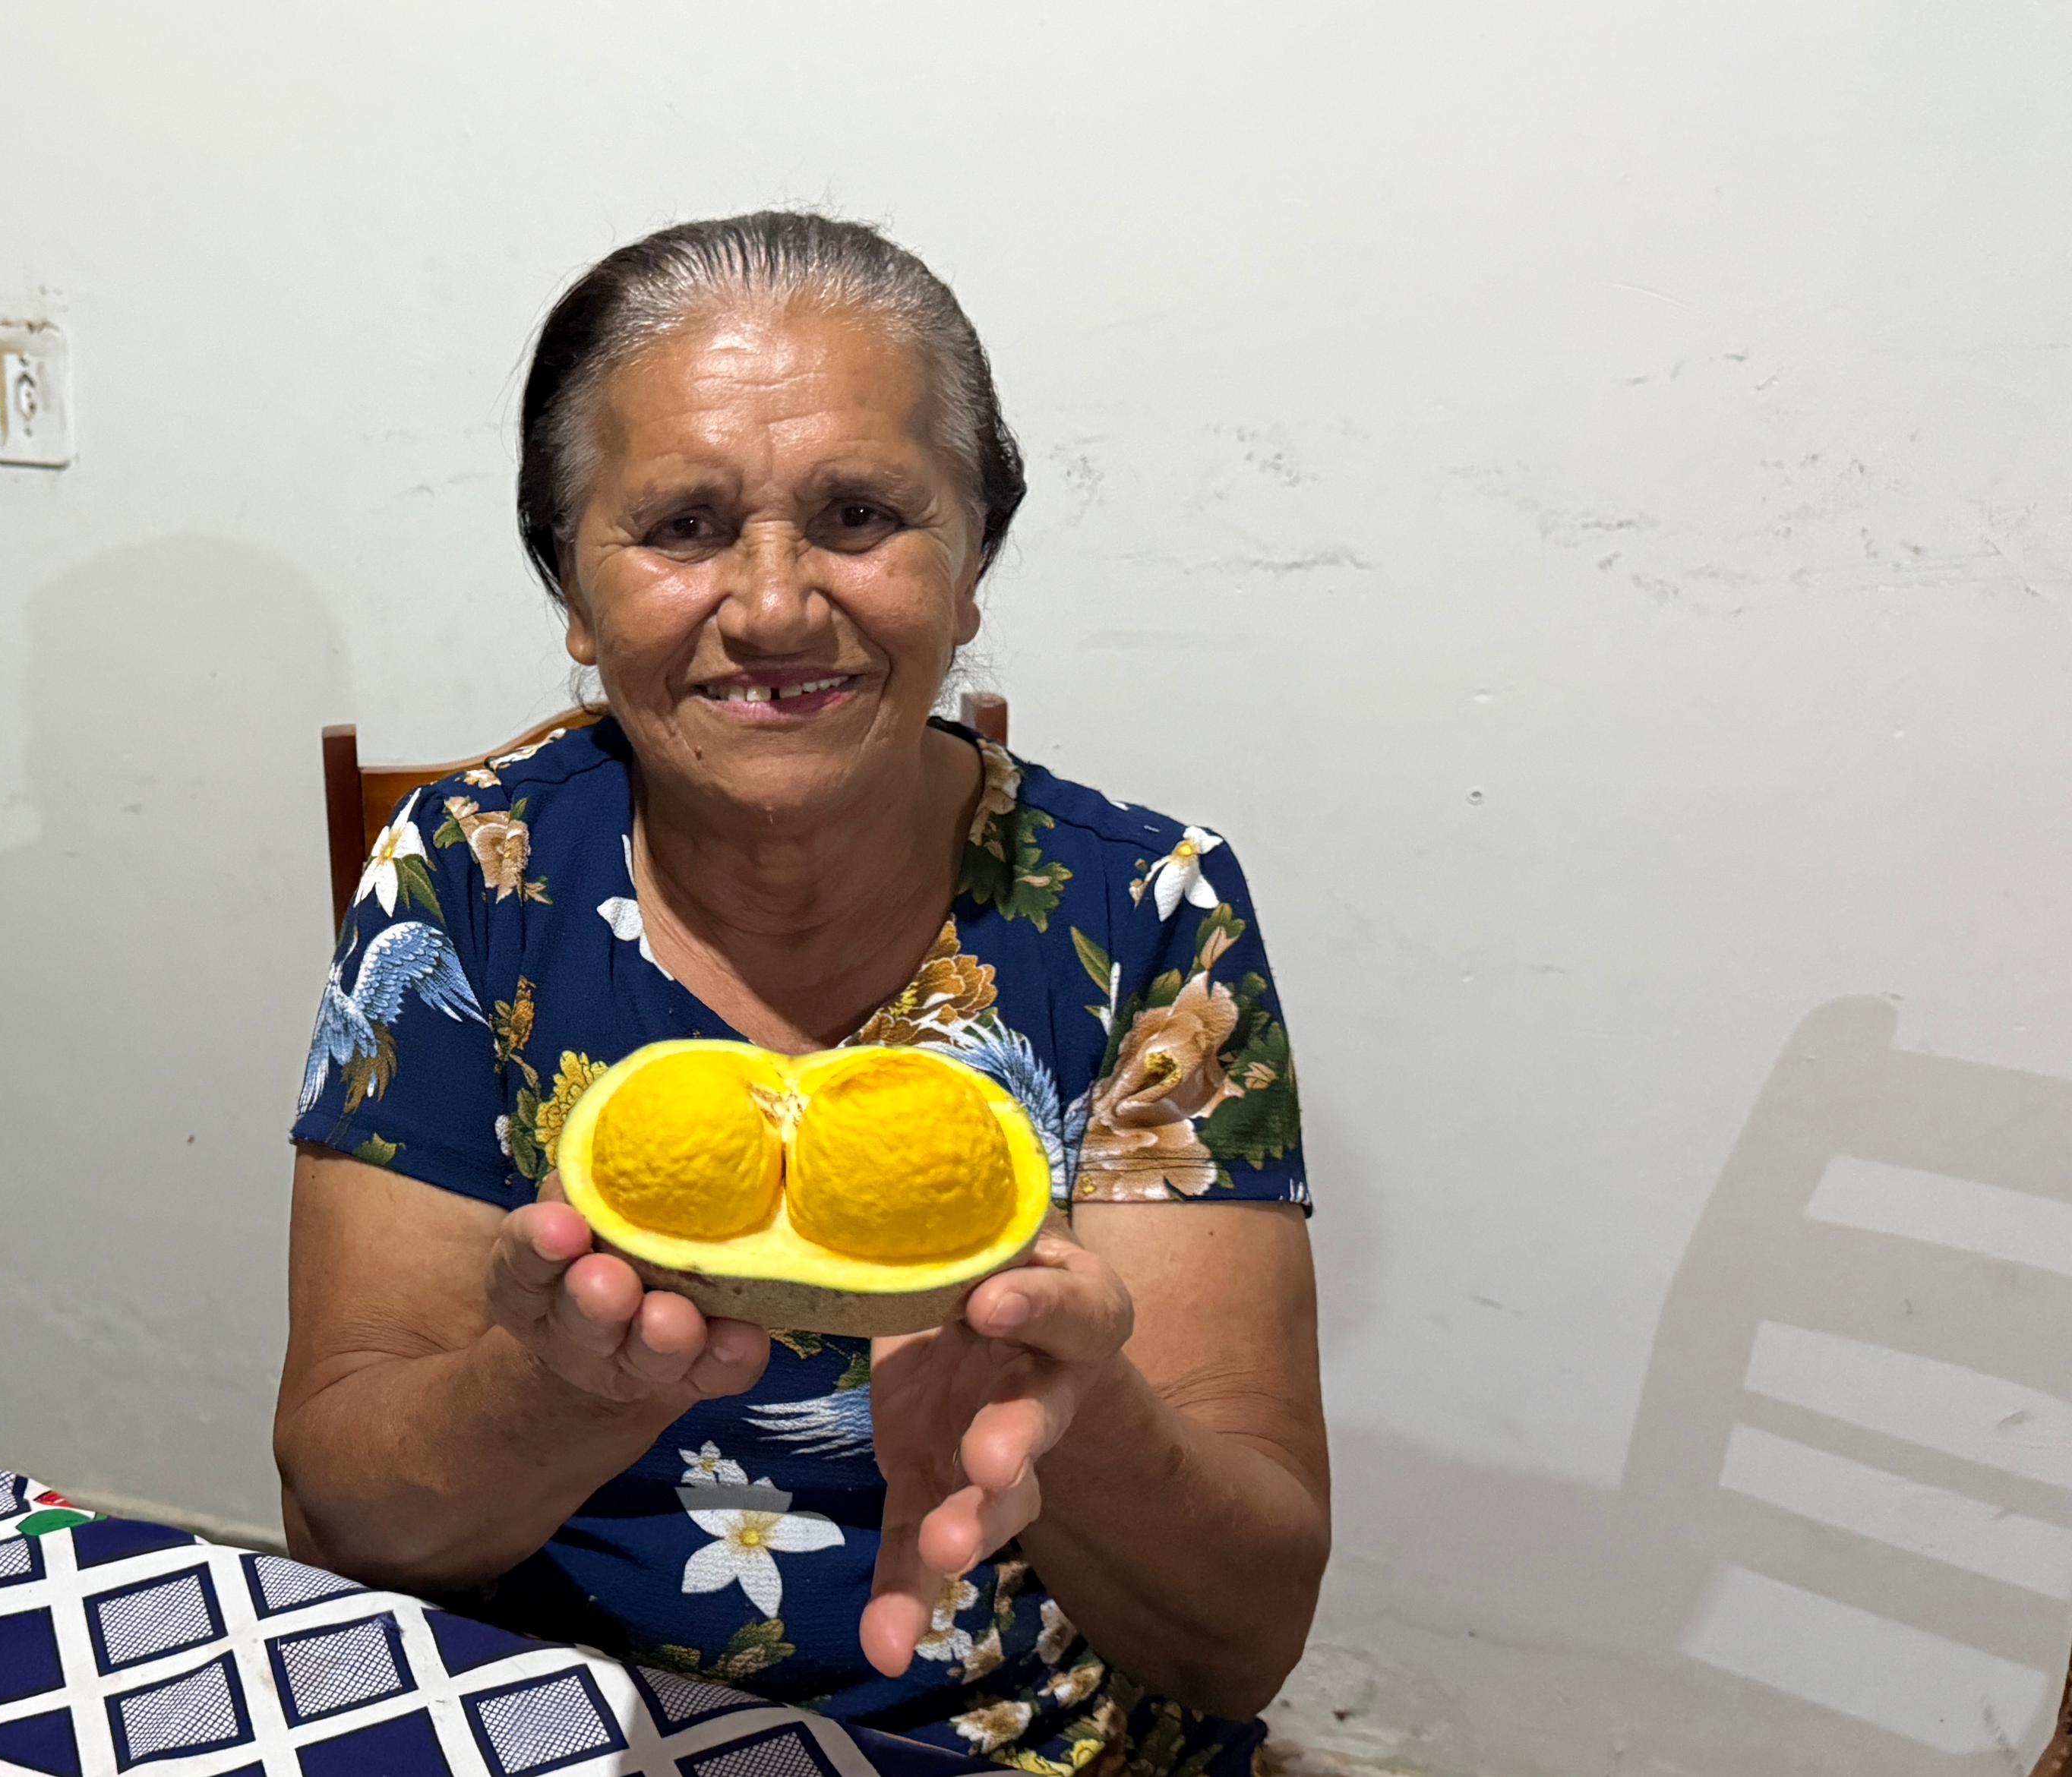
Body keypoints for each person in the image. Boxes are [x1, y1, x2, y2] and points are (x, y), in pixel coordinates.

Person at [275, 212, 1326, 1775]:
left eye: (859, 515)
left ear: (971, 567)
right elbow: (344, 1522)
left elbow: (1238, 1645)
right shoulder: (468, 877)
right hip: (557, 1712)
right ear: (574, 593)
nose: (772, 607)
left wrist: (1070, 1404)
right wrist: (561, 1386)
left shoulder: (1147, 912)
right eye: (683, 526)